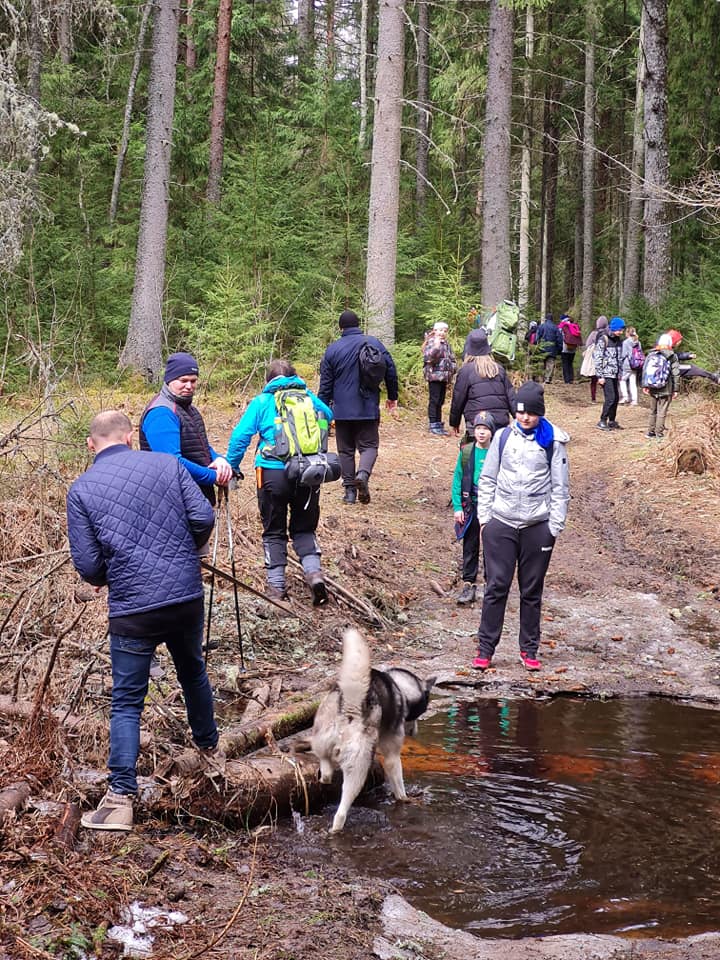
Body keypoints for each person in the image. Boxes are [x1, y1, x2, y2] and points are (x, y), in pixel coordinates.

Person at [66, 411, 219, 831]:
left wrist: (107, 576)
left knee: (127, 701)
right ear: (131, 436)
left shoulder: (81, 490)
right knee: (193, 673)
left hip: (133, 608)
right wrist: (185, 552)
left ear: (90, 444)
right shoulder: (166, 464)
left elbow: (89, 565)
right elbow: (203, 518)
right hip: (185, 596)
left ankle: (119, 799)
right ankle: (211, 753)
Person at [471, 383, 570, 672]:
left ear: (540, 413)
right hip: (501, 523)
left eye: (530, 413)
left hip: (537, 525)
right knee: (496, 586)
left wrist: (554, 527)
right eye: (520, 412)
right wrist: (485, 518)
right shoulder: (502, 438)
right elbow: (487, 479)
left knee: (531, 590)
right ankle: (485, 649)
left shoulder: (553, 443)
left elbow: (560, 488)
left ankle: (529, 650)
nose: (524, 418)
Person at [226, 360, 334, 604]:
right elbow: (328, 415)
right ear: (293, 377)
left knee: (274, 530)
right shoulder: (306, 396)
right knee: (304, 528)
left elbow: (240, 436)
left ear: (268, 380)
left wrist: (231, 466)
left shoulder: (262, 402)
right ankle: (314, 574)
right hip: (308, 472)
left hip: (272, 473)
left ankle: (276, 589)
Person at [318, 309, 398, 505]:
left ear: (341, 327)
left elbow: (325, 386)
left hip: (342, 410)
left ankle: (350, 493)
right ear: (358, 324)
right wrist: (392, 396)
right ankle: (362, 474)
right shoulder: (373, 343)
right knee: (369, 446)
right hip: (367, 407)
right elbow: (391, 370)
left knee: (345, 451)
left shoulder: (333, 349)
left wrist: (321, 410)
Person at [139, 352, 232, 504]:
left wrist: (219, 460)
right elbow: (172, 462)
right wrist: (213, 476)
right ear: (169, 380)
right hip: (169, 499)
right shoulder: (161, 413)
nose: (189, 386)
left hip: (191, 495)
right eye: (183, 380)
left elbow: (199, 446)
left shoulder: (188, 409)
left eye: (193, 381)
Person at [452, 411, 496, 605]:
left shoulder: (497, 452)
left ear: (492, 432)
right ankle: (468, 582)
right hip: (470, 505)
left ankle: (490, 582)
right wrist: (457, 507)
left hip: (493, 507)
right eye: (478, 428)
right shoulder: (467, 452)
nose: (481, 433)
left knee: (491, 545)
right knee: (470, 545)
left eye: (485, 429)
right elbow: (457, 480)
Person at [449, 329, 516, 437]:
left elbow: (458, 399)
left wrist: (454, 422)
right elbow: (511, 396)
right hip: (500, 422)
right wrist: (518, 417)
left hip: (478, 423)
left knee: (478, 452)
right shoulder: (498, 368)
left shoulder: (466, 371)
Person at [422, 321, 457, 436]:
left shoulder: (446, 344)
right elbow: (429, 358)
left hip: (444, 377)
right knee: (434, 400)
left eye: (445, 331)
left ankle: (438, 422)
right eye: (440, 330)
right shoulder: (431, 342)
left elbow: (451, 358)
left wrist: (453, 369)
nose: (442, 333)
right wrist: (436, 346)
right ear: (435, 330)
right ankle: (433, 423)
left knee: (441, 401)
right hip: (434, 376)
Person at [642, 333, 680, 439]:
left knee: (653, 410)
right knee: (662, 411)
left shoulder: (651, 354)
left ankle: (650, 432)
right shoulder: (671, 355)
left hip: (652, 386)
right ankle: (659, 433)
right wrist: (676, 389)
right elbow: (675, 373)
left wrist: (645, 385)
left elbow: (645, 370)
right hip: (666, 387)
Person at [593, 316, 626, 430]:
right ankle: (602, 420)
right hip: (606, 374)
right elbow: (598, 358)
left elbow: (620, 358)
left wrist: (620, 373)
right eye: (620, 330)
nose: (621, 332)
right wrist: (600, 376)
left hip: (615, 373)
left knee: (616, 397)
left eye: (622, 330)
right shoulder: (603, 339)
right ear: (614, 328)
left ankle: (612, 420)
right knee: (610, 398)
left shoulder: (618, 341)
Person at [581, 315, 608, 402]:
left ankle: (593, 398)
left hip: (594, 359)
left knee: (593, 380)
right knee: (605, 379)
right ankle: (608, 397)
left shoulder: (594, 334)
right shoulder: (608, 333)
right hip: (606, 358)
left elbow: (588, 344)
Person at [533, 313, 564, 383]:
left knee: (542, 362)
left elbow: (537, 337)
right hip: (552, 348)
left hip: (542, 347)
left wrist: (536, 345)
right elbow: (559, 339)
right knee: (550, 362)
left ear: (546, 319)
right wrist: (560, 348)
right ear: (552, 319)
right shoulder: (555, 327)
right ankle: (547, 378)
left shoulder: (541, 326)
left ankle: (540, 377)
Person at [619, 326, 643, 406]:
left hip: (627, 364)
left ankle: (625, 397)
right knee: (633, 382)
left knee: (622, 380)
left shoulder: (626, 342)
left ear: (627, 333)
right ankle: (634, 400)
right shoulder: (638, 342)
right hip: (635, 365)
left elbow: (623, 354)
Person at [557, 314, 580, 384]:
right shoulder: (574, 325)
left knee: (565, 364)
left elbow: (559, 336)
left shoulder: (562, 326)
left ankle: (566, 380)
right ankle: (571, 379)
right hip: (573, 348)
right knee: (570, 363)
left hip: (565, 348)